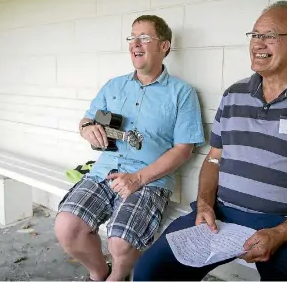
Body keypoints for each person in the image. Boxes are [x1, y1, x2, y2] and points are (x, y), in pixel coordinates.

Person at [133, 1, 287, 281]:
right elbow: (214, 158)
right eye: (255, 35)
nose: (259, 44)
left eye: (270, 35)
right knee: (151, 270)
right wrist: (204, 204)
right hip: (222, 214)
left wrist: (281, 232)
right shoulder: (233, 95)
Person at [54, 15, 205, 281]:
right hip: (104, 171)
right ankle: (99, 272)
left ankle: (119, 276)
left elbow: (183, 149)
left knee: (120, 242)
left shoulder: (182, 93)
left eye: (144, 38)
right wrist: (87, 128)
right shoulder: (114, 85)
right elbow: (86, 120)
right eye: (131, 38)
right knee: (67, 226)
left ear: (164, 47)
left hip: (149, 179)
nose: (135, 43)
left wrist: (138, 178)